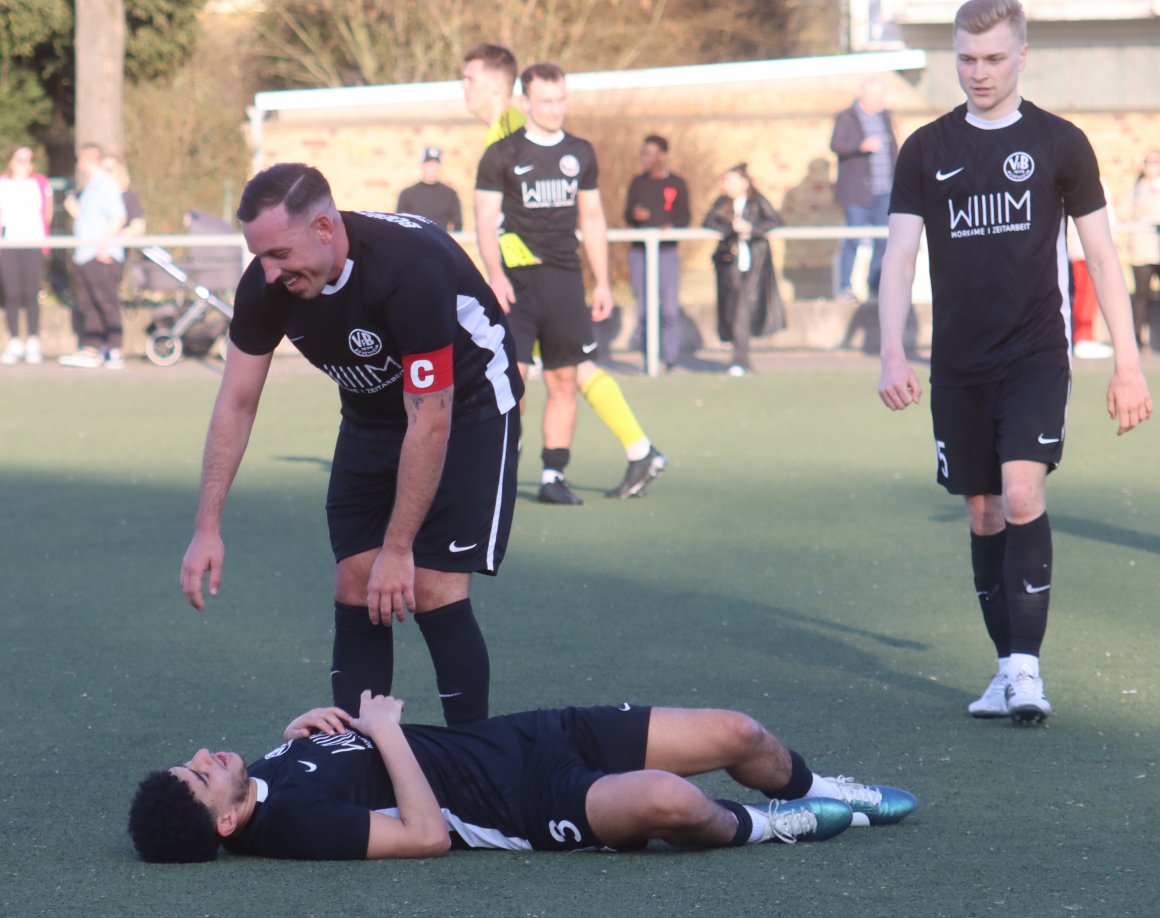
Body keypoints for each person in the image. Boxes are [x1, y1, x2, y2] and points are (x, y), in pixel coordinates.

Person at [876, 0, 1152, 724]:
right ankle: (1005, 667)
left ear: (1022, 55)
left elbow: (1101, 253)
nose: (979, 73)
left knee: (1023, 494)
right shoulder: (926, 150)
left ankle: (1028, 670)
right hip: (957, 367)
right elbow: (900, 253)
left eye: (994, 58)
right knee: (984, 510)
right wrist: (890, 349)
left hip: (1034, 357)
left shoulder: (1061, 143)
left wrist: (1129, 364)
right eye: (967, 60)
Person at [179, 164, 524, 728]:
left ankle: (476, 761)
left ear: (324, 227)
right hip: (373, 410)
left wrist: (398, 548)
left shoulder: (409, 271)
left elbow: (430, 420)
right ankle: (356, 755)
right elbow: (236, 402)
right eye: (259, 257)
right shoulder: (267, 284)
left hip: (468, 408)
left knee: (432, 585)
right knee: (355, 582)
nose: (268, 274)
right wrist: (207, 525)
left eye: (280, 256)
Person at [128, 689, 917, 862]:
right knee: (674, 801)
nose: (204, 757)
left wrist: (305, 728)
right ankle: (766, 824)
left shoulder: (267, 772)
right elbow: (428, 837)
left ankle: (813, 789)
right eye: (201, 778)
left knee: (739, 732)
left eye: (191, 761)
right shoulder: (294, 831)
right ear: (225, 823)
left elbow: (323, 768)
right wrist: (388, 732)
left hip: (529, 736)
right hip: (526, 804)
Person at [474, 61, 667, 504]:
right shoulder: (502, 155)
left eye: (561, 99)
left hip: (564, 282)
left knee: (564, 382)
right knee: (512, 383)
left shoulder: (580, 152)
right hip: (514, 286)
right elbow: (485, 221)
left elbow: (593, 218)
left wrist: (601, 282)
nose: (555, 108)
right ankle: (498, 473)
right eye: (546, 101)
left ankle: (552, 477)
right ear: (525, 102)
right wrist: (495, 274)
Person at [702, 163, 785, 377]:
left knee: (744, 309)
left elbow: (774, 221)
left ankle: (740, 358)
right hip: (730, 265)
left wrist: (752, 230)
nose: (727, 185)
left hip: (754, 262)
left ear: (744, 182)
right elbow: (709, 222)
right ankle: (741, 357)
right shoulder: (722, 203)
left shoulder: (757, 202)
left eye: (731, 181)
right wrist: (731, 229)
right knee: (734, 309)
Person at [624, 135, 691, 371]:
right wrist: (635, 215)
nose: (647, 159)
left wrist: (671, 228)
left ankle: (670, 359)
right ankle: (648, 358)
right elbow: (627, 215)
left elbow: (685, 217)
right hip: (640, 253)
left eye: (651, 153)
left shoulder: (677, 183)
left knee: (669, 309)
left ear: (662, 155)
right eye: (644, 153)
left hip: (667, 253)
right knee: (644, 309)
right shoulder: (638, 183)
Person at [59, 143, 127, 369]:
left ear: (87, 159)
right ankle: (93, 348)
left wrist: (104, 246)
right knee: (88, 304)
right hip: (85, 255)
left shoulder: (106, 183)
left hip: (100, 255)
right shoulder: (89, 188)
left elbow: (118, 217)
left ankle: (115, 348)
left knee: (106, 302)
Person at [830, 77, 899, 303]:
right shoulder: (847, 116)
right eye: (877, 97)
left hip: (885, 191)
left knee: (883, 241)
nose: (881, 101)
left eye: (882, 96)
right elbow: (836, 145)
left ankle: (875, 288)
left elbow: (893, 149)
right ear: (864, 97)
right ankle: (844, 289)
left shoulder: (885, 116)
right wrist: (861, 147)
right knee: (853, 239)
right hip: (857, 193)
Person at [0, 146, 52, 365]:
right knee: (11, 292)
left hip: (33, 243)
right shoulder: (3, 183)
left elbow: (47, 213)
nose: (24, 164)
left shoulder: (39, 183)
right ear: (11, 161)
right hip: (8, 244)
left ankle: (32, 339)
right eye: (20, 159)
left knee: (30, 292)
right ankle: (14, 340)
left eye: (28, 160)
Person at [1122, 150, 1160, 352]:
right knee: (1141, 295)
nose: (1152, 166)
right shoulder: (1136, 188)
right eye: (1149, 162)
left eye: (1156, 162)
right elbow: (1125, 214)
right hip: (1142, 248)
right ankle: (1138, 337)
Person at [396, 147, 463, 233]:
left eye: (436, 165)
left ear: (440, 167)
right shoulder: (407, 194)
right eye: (429, 165)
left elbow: (458, 224)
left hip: (439, 243)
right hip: (414, 242)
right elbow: (399, 224)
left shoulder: (450, 194)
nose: (433, 169)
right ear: (422, 166)